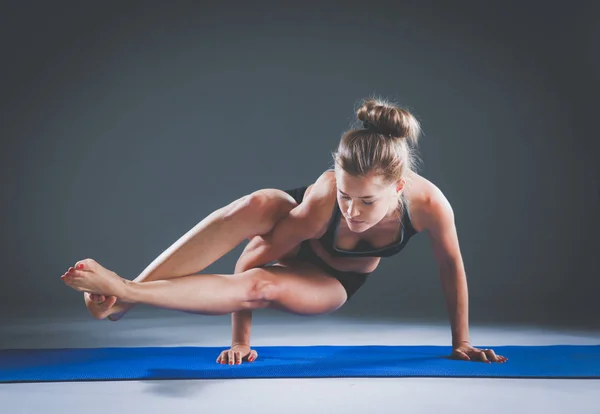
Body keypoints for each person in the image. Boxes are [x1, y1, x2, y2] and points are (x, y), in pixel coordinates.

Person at [61, 98, 507, 365]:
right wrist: (241, 341)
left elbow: (452, 268)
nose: (351, 211)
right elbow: (250, 257)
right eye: (346, 195)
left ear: (400, 187)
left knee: (261, 286)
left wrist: (461, 342)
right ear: (336, 176)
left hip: (333, 280)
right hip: (293, 233)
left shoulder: (430, 206)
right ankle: (122, 298)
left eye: (367, 201)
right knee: (261, 203)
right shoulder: (323, 199)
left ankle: (125, 293)